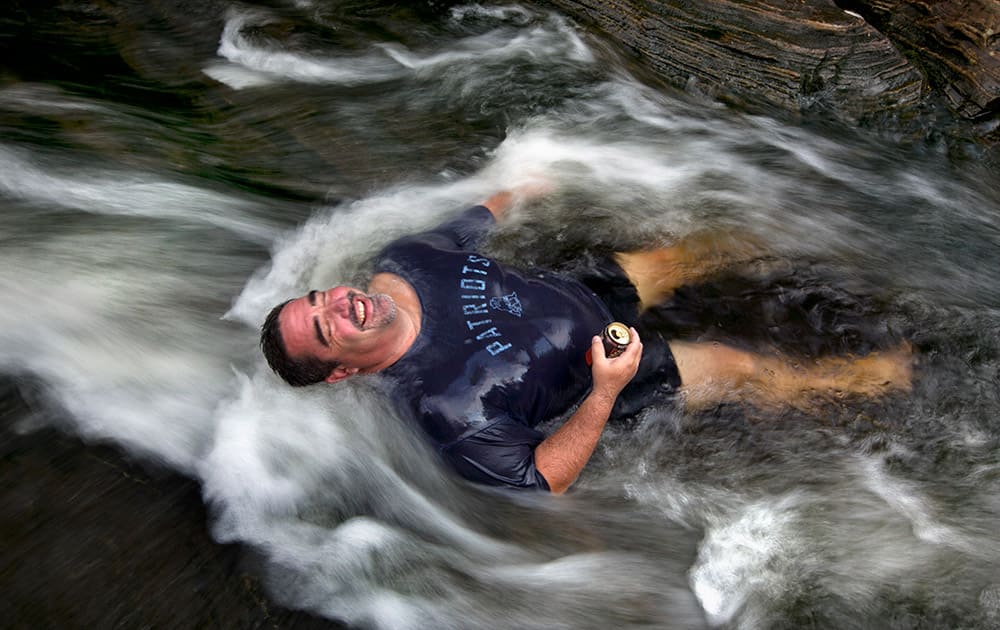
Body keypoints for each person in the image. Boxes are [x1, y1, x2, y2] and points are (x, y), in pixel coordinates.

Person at [260, 189, 911, 494]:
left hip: (582, 290)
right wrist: (603, 392)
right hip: (606, 371)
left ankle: (829, 232)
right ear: (341, 372)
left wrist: (531, 179)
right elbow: (543, 477)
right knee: (742, 369)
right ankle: (881, 379)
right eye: (327, 327)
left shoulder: (403, 260)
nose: (339, 304)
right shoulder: (444, 410)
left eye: (322, 298)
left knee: (700, 250)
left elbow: (475, 219)